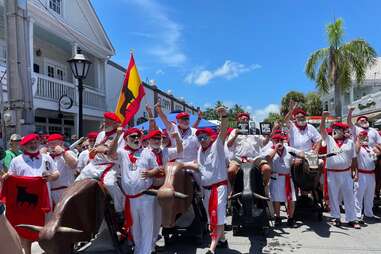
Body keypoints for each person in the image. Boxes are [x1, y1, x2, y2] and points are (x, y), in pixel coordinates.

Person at [1, 133, 60, 254]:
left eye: (35, 143)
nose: (33, 145)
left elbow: (56, 174)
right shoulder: (16, 161)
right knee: (25, 230)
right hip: (25, 204)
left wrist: (50, 177)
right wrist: (7, 177)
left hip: (44, 202)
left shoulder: (47, 158)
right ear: (23, 146)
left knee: (45, 231)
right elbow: (11, 178)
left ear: (38, 143)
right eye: (29, 143)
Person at [109, 127, 154, 254]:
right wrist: (117, 136)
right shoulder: (122, 153)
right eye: (132, 137)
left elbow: (158, 170)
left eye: (138, 136)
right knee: (135, 228)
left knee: (146, 227)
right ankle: (139, 250)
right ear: (126, 139)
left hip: (146, 196)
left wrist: (151, 172)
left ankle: (145, 252)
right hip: (131, 198)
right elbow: (110, 153)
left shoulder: (147, 152)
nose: (136, 139)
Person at [138, 129, 183, 252]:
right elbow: (143, 173)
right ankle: (146, 247)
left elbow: (180, 150)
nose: (158, 141)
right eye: (155, 139)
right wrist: (157, 170)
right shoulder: (144, 153)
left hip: (162, 190)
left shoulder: (165, 151)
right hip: (148, 191)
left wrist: (177, 138)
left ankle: (152, 246)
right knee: (148, 220)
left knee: (157, 220)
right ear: (149, 140)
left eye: (160, 139)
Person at [195, 107, 229, 254]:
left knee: (218, 217)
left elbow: (224, 129)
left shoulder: (217, 145)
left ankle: (212, 247)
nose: (202, 140)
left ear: (210, 138)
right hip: (206, 191)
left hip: (219, 188)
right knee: (212, 218)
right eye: (200, 138)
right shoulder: (199, 151)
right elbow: (198, 167)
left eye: (204, 137)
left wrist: (224, 116)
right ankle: (222, 240)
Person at [320, 112, 360, 228]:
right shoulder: (329, 140)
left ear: (343, 131)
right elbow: (322, 130)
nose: (335, 131)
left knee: (349, 196)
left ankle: (352, 218)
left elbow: (353, 159)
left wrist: (355, 172)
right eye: (334, 129)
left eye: (338, 129)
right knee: (333, 196)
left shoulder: (350, 142)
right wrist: (323, 118)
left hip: (346, 173)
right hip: (332, 173)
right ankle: (336, 217)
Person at [265, 133, 304, 227]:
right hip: (276, 177)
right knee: (276, 199)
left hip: (288, 177)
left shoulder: (289, 149)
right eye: (277, 141)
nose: (279, 143)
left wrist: (300, 158)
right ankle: (277, 217)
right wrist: (275, 149)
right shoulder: (270, 150)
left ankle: (291, 218)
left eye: (281, 141)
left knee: (291, 199)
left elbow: (302, 152)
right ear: (273, 142)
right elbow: (268, 157)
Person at [227, 112, 271, 186]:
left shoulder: (255, 130)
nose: (245, 120)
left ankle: (264, 187)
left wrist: (268, 136)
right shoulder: (234, 131)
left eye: (247, 119)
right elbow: (228, 145)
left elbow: (263, 143)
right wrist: (235, 136)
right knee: (231, 171)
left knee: (267, 169)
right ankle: (233, 189)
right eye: (243, 119)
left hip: (255, 158)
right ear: (238, 120)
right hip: (239, 158)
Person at [347, 106, 381, 200]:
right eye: (361, 120)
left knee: (374, 180)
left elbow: (379, 143)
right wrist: (350, 112)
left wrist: (377, 152)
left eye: (365, 119)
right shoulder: (356, 129)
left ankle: (375, 194)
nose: (364, 120)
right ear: (358, 123)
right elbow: (349, 122)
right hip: (359, 154)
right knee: (359, 184)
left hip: (372, 156)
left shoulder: (374, 131)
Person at [354, 131, 380, 222]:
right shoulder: (359, 147)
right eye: (362, 136)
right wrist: (359, 140)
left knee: (370, 194)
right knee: (359, 194)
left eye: (366, 137)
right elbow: (356, 151)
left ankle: (368, 212)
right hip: (362, 173)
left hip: (371, 174)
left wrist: (375, 148)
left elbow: (377, 155)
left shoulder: (371, 148)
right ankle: (357, 214)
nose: (365, 138)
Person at [46, 134, 78, 206]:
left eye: (54, 143)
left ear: (62, 143)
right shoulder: (47, 156)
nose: (52, 146)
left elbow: (73, 165)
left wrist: (63, 152)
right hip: (49, 193)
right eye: (50, 144)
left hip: (65, 191)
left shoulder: (69, 153)